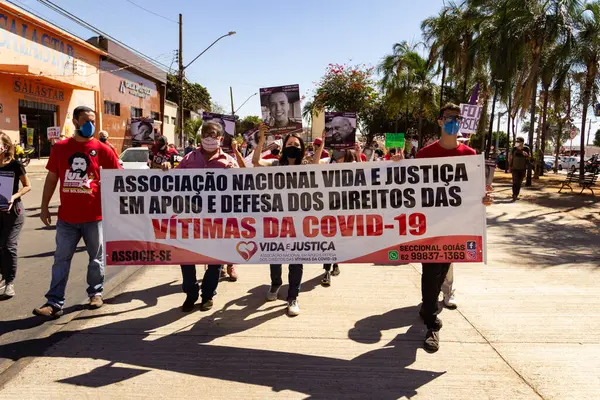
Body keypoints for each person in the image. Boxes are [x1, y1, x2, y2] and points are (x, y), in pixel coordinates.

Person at [415, 103, 493, 353]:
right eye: (449, 118)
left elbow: (476, 192)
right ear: (440, 122)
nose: (454, 122)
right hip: (430, 226)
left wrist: (485, 199)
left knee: (440, 274)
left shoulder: (470, 155)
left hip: (458, 227)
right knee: (430, 271)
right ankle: (431, 325)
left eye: (458, 118)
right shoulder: (425, 154)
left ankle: (428, 308)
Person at [33, 106, 121, 318]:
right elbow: (52, 179)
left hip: (95, 217)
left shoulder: (103, 150)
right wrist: (44, 206)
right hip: (66, 219)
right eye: (85, 120)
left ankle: (95, 294)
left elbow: (119, 180)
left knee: (96, 259)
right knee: (61, 259)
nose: (90, 124)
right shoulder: (61, 148)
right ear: (74, 122)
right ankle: (54, 302)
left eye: (92, 120)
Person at [165, 121, 239, 312]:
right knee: (186, 258)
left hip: (216, 220)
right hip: (189, 219)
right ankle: (190, 294)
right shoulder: (189, 158)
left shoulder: (229, 162)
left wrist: (235, 176)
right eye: (205, 133)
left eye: (213, 134)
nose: (208, 137)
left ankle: (208, 295)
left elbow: (240, 189)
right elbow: (172, 181)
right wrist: (166, 169)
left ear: (220, 138)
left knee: (214, 261)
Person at [252, 123, 312, 316]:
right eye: (289, 143)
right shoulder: (276, 165)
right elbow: (256, 162)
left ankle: (292, 297)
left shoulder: (306, 166)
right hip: (277, 218)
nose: (292, 146)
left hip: (298, 221)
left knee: (297, 259)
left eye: (296, 143)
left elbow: (320, 168)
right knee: (275, 254)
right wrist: (262, 139)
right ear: (284, 147)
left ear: (301, 148)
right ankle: (276, 283)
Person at [0, 132, 31, 299]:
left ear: (5, 147)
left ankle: (9, 283)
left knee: (9, 246)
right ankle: (3, 276)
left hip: (13, 211)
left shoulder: (15, 165)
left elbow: (27, 186)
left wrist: (13, 197)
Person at [509, 137, 530, 201]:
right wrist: (510, 166)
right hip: (514, 168)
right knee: (515, 181)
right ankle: (514, 195)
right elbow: (510, 158)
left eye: (519, 141)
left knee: (519, 183)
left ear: (522, 142)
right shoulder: (514, 148)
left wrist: (526, 155)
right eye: (517, 141)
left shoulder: (526, 149)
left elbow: (529, 158)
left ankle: (516, 194)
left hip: (522, 169)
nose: (517, 142)